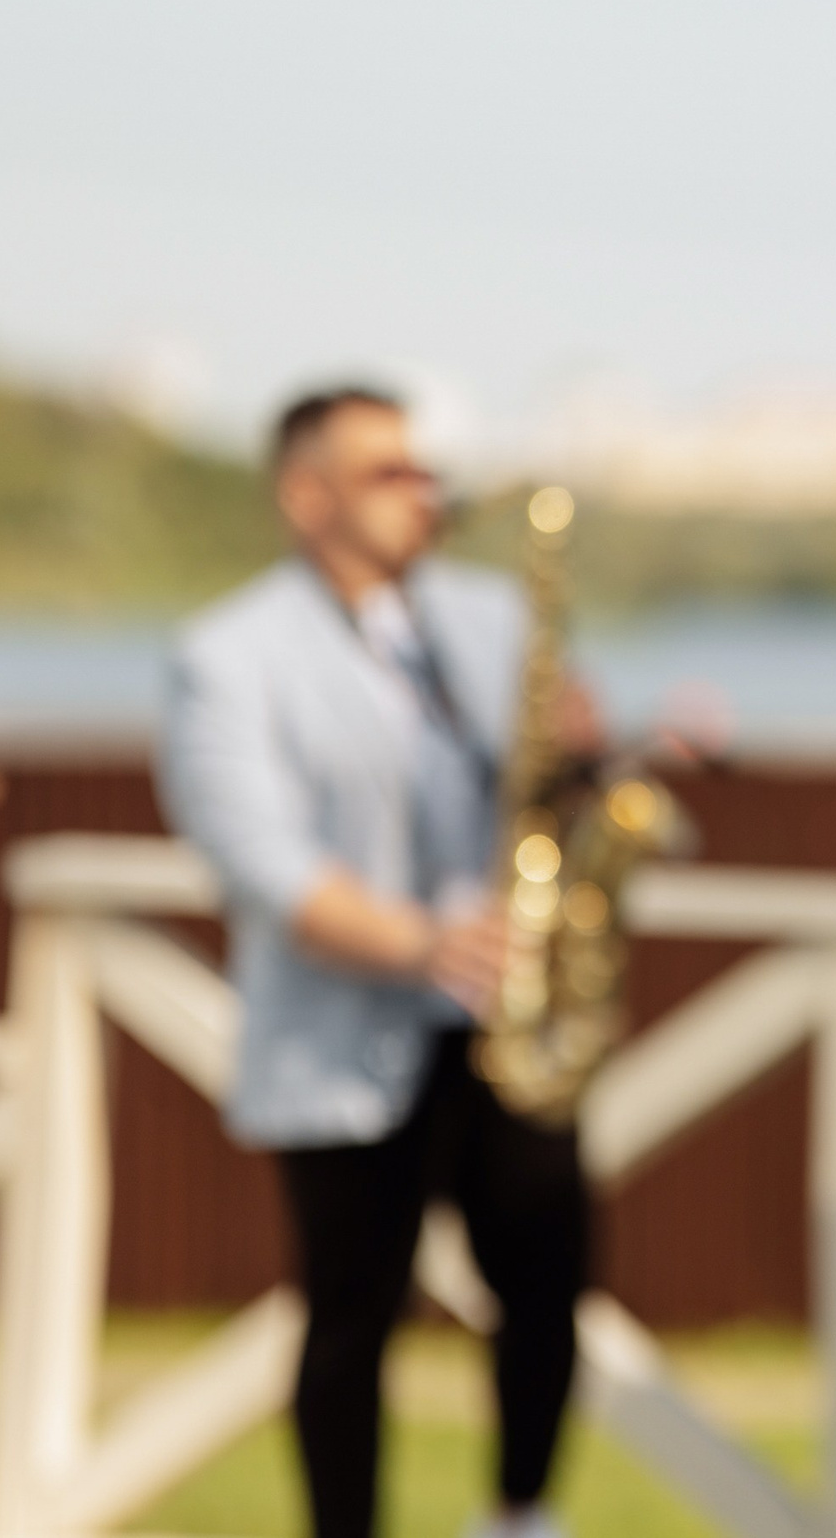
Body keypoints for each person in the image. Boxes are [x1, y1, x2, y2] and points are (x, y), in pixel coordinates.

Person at [159, 387, 592, 1538]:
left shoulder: (492, 618)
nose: (423, 494)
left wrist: (607, 761)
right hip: (344, 1038)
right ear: (307, 499)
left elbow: (544, 779)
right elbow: (258, 856)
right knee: (351, 1316)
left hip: (505, 1020)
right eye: (386, 474)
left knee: (547, 1282)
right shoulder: (228, 652)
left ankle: (520, 1516)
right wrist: (421, 943)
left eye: (422, 470)